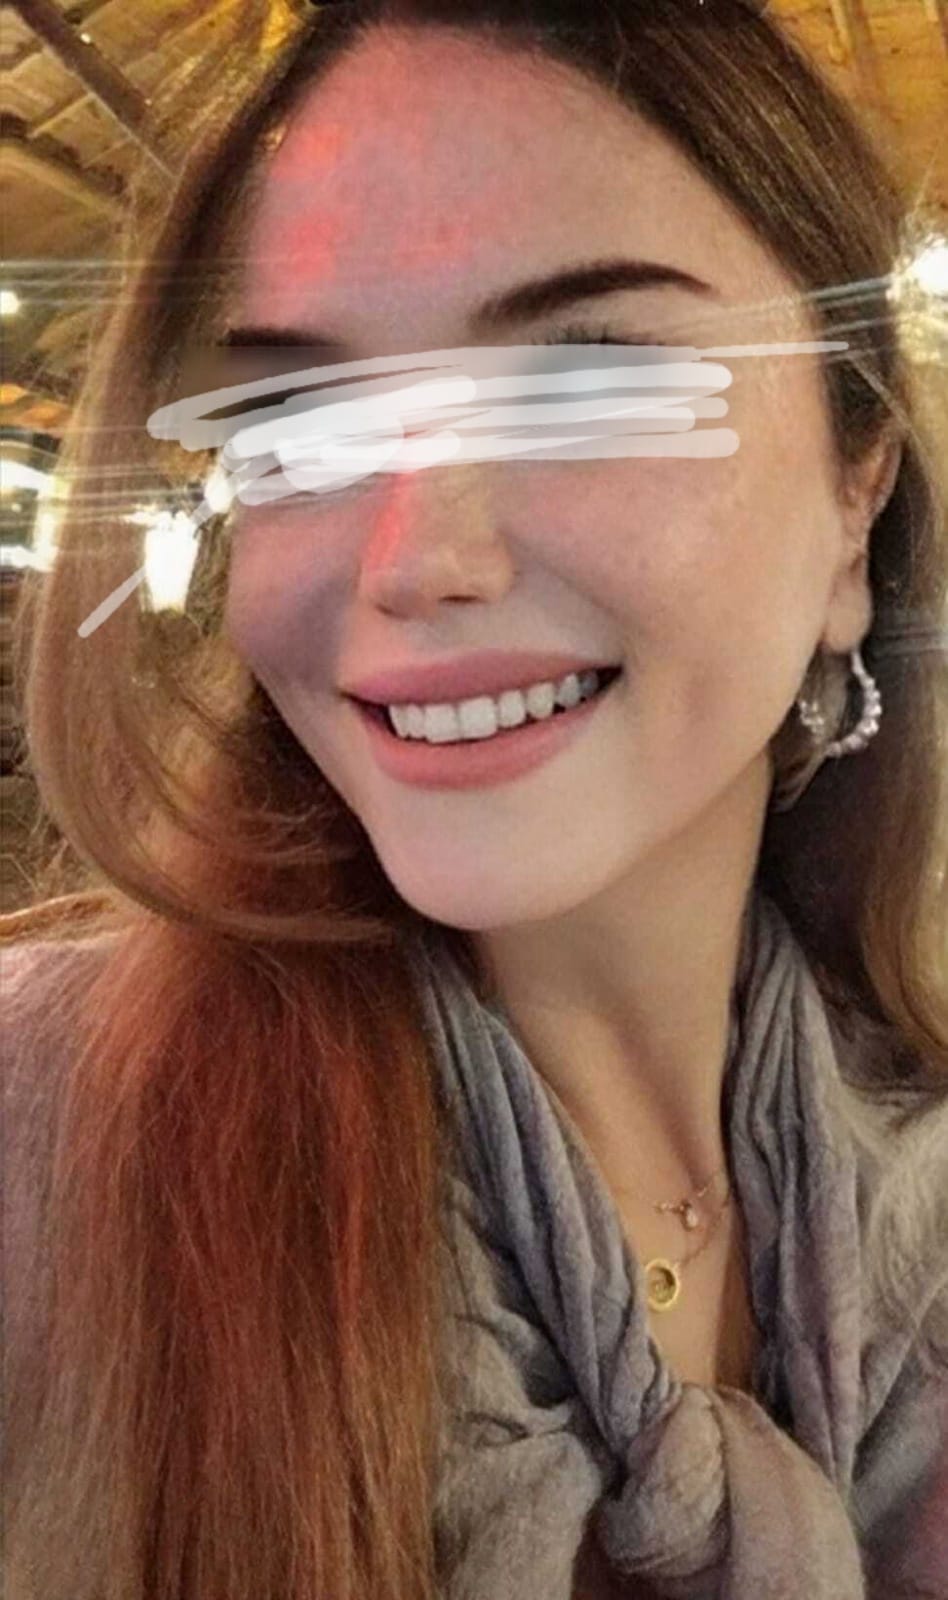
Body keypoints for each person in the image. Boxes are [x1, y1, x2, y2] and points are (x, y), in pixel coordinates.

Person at [3, 2, 946, 1597]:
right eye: (302, 421)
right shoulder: (53, 1148)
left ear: (857, 499)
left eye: (582, 383)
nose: (417, 560)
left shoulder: (917, 1182)